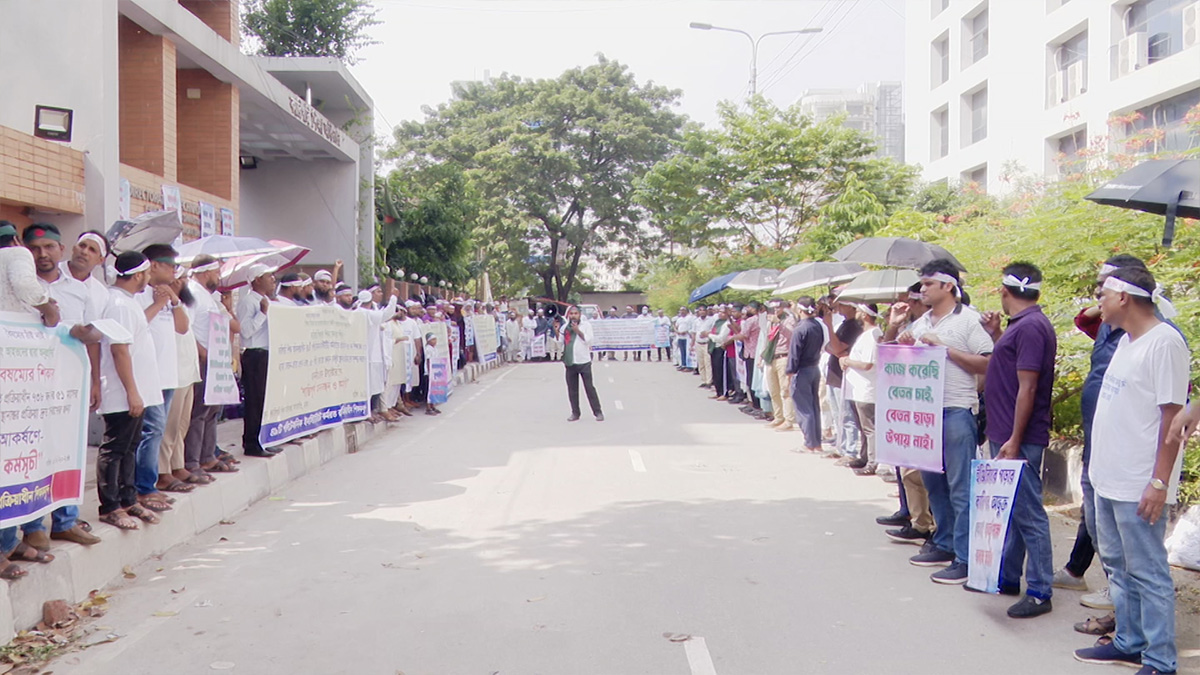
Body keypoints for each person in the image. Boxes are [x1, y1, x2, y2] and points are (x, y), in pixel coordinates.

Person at [1072, 266, 1187, 674]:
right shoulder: (1126, 340)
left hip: (1139, 481)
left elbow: (1173, 421)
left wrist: (1158, 481)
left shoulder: (1165, 343)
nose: (1097, 301)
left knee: (1148, 571)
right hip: (1108, 477)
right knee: (1118, 566)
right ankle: (1129, 641)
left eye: (1103, 293)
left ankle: (1160, 659)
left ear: (1124, 297)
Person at [1057, 255, 1155, 623]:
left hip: (1126, 449)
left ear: (1127, 293)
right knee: (1099, 521)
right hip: (1100, 435)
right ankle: (1119, 603)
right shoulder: (1112, 326)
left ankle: (1125, 613)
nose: (1098, 291)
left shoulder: (1150, 334)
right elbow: (1083, 319)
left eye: (1105, 285)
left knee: (1122, 537)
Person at [900, 260, 993, 585]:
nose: (922, 289)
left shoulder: (969, 320)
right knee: (934, 484)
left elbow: (986, 363)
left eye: (928, 284)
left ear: (948, 286)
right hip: (924, 415)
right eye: (921, 284)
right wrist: (906, 343)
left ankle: (965, 559)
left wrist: (945, 349)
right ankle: (944, 543)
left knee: (960, 487)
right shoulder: (921, 322)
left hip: (956, 411)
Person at [979, 263, 1057, 618]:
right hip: (1007, 433)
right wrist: (996, 335)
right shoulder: (1021, 327)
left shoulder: (1032, 328)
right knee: (1013, 511)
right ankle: (1008, 576)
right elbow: (1009, 370)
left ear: (1004, 291)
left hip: (1017, 437)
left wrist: (1014, 437)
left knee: (1029, 513)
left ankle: (1040, 590)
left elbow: (1028, 387)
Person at [18, 223, 103, 548]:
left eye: (49, 248)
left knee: (69, 450)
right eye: (35, 249)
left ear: (61, 250)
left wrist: (95, 380)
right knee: (33, 453)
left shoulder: (81, 290)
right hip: (28, 388)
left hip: (69, 385)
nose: (42, 255)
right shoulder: (18, 286)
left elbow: (95, 336)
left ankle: (66, 521)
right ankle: (33, 525)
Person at [97, 251, 165, 530]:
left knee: (130, 448)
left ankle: (128, 498)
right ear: (138, 275)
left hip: (138, 392)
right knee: (115, 449)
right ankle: (110, 506)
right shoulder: (119, 304)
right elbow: (119, 350)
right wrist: (132, 392)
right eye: (147, 274)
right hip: (123, 393)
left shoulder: (129, 302)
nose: (149, 279)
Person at [133, 244, 191, 515]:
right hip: (148, 375)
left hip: (168, 375)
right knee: (151, 430)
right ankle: (144, 486)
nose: (174, 271)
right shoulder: (139, 292)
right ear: (153, 265)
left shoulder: (169, 295)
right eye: (170, 265)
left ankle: (149, 483)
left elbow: (182, 328)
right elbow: (136, 326)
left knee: (158, 430)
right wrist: (158, 302)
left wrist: (175, 301)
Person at [237, 264, 278, 458]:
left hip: (266, 353)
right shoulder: (248, 302)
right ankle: (252, 443)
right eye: (269, 276)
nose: (273, 279)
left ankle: (263, 439)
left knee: (265, 400)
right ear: (257, 279)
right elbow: (245, 331)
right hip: (255, 355)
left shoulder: (266, 300)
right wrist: (262, 313)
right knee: (255, 400)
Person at [841, 303, 882, 477]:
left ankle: (873, 462)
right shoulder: (866, 335)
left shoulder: (872, 336)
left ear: (865, 314)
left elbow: (868, 364)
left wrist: (847, 361)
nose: (856, 313)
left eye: (858, 310)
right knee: (864, 427)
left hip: (868, 389)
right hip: (859, 388)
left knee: (870, 428)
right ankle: (865, 456)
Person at [823, 299, 864, 462]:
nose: (838, 307)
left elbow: (838, 347)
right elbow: (829, 347)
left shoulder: (854, 326)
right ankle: (841, 446)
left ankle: (850, 450)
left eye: (842, 304)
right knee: (836, 413)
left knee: (846, 414)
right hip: (834, 372)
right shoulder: (845, 324)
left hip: (844, 375)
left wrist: (829, 326)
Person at [785, 297, 825, 452]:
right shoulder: (817, 325)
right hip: (814, 367)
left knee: (804, 408)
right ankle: (816, 442)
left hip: (802, 370)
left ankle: (809, 443)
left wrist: (790, 372)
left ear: (800, 310)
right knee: (814, 407)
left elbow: (794, 354)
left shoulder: (800, 329)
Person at [562, 306, 603, 422]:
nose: (573, 316)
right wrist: (556, 329)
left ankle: (598, 412)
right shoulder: (565, 327)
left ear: (579, 315)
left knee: (589, 388)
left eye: (575, 313)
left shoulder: (586, 326)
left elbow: (589, 341)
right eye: (571, 314)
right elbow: (560, 341)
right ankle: (575, 413)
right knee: (572, 389)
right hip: (570, 362)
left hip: (584, 361)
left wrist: (577, 331)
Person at [763, 302, 798, 432]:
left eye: (778, 307)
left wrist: (779, 323)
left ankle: (789, 419)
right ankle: (778, 416)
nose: (775, 310)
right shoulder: (770, 321)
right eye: (773, 308)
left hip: (784, 356)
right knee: (773, 389)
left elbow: (792, 335)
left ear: (783, 307)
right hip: (771, 356)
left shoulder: (788, 320)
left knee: (785, 390)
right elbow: (768, 339)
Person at [423, 333, 442, 415]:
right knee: (429, 391)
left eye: (435, 339)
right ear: (428, 341)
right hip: (429, 372)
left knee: (434, 390)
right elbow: (428, 360)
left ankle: (432, 405)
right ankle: (428, 408)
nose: (435, 341)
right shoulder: (428, 349)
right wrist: (430, 371)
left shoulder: (435, 349)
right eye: (433, 340)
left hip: (435, 372)